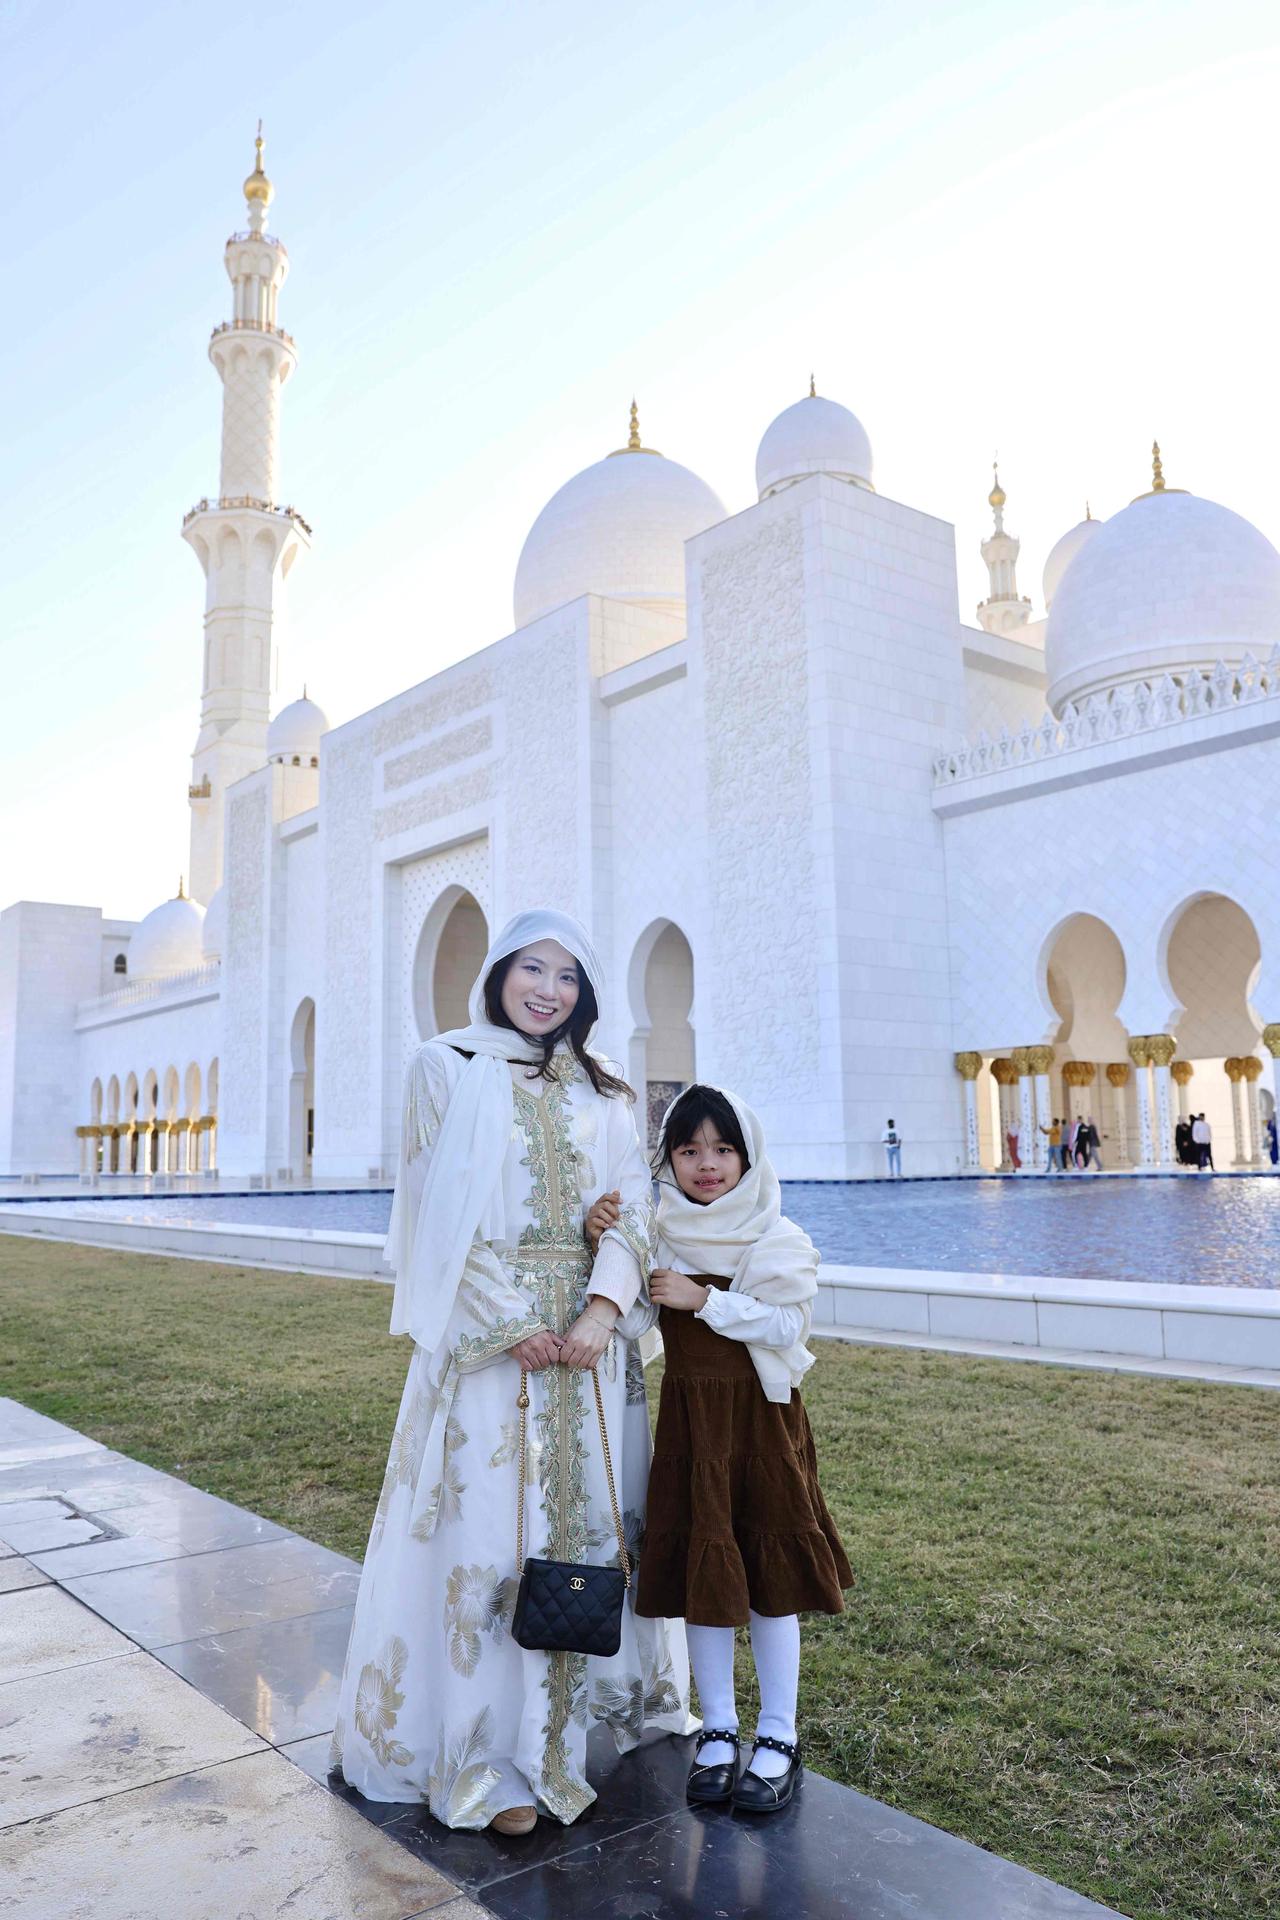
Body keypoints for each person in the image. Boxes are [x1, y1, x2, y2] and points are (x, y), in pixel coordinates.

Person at [331, 909, 690, 1834]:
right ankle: (488, 1762)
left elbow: (634, 1207)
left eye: (569, 976)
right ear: (498, 974)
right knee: (491, 1538)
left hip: (591, 1348)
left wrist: (602, 1310)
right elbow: (432, 1212)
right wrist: (514, 1322)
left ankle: (574, 1734)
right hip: (492, 1346)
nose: (549, 990)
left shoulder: (604, 1089)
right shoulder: (445, 1067)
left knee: (589, 1534)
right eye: (533, 968)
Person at [623, 1084, 852, 1816]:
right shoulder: (659, 1233)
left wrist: (704, 1300)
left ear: (747, 1158)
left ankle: (779, 1734)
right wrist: (607, 1241)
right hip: (693, 1431)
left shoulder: (774, 1235)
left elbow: (787, 1327)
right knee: (706, 1575)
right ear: (669, 1159)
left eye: (723, 1149)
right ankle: (718, 1730)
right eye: (689, 1149)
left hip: (760, 1429)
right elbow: (631, 1321)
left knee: (769, 1579)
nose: (707, 1164)